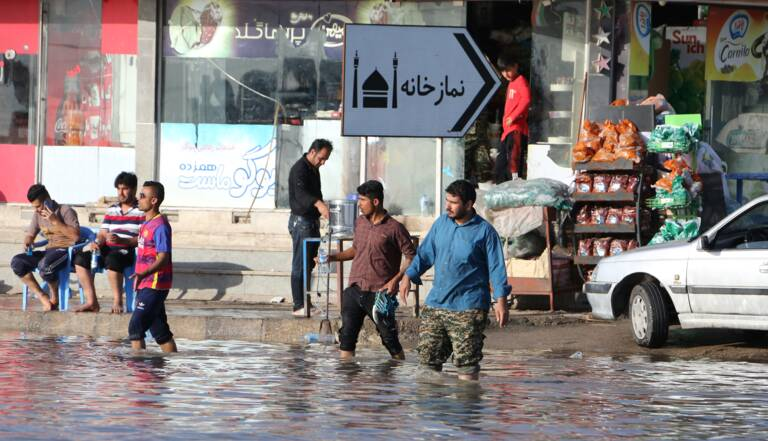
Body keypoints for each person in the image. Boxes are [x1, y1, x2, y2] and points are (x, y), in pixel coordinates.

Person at [399, 180, 510, 381]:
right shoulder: (441, 224)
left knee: (466, 366)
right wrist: (408, 275)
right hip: (436, 304)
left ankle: (467, 410)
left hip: (468, 307)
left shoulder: (485, 232)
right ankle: (432, 410)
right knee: (427, 362)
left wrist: (500, 300)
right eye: (447, 201)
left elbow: (496, 268)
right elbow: (424, 255)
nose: (447, 206)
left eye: (453, 202)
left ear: (469, 204)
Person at [326, 180, 415, 360]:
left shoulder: (395, 228)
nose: (359, 204)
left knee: (390, 339)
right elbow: (356, 250)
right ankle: (346, 380)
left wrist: (396, 279)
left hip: (380, 293)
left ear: (375, 202)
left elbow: (412, 257)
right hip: (355, 288)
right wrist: (332, 257)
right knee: (347, 338)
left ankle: (396, 377)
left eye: (363, 200)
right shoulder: (360, 223)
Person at [72, 172, 143, 313]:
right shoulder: (112, 209)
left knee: (113, 259)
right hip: (107, 247)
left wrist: (122, 240)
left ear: (134, 189)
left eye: (125, 189)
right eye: (118, 189)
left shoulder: (141, 211)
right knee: (80, 259)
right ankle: (92, 302)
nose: (120, 193)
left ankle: (118, 300)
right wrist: (97, 242)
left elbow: (141, 239)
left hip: (125, 250)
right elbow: (103, 233)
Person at [10, 184, 81, 311]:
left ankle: (55, 298)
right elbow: (30, 234)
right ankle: (43, 296)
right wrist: (28, 242)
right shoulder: (37, 215)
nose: (36, 210)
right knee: (17, 262)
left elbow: (76, 237)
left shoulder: (66, 211)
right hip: (49, 251)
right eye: (34, 207)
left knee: (45, 266)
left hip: (65, 251)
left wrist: (55, 221)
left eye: (38, 206)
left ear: (47, 200)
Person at [128, 181, 177, 353]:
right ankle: (170, 364)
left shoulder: (161, 226)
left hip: (154, 284)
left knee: (135, 327)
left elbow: (163, 258)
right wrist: (123, 241)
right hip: (145, 282)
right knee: (160, 332)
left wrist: (143, 273)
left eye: (142, 196)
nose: (138, 199)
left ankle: (138, 370)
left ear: (154, 200)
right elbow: (142, 243)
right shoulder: (147, 223)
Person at [288, 138, 333, 317]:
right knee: (300, 264)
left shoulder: (314, 170)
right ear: (312, 152)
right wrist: (319, 204)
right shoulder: (299, 169)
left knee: (309, 264)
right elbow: (302, 195)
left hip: (311, 222)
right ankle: (298, 304)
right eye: (321, 158)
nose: (322, 162)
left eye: (325, 160)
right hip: (301, 222)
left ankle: (306, 301)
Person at [495, 52, 531, 183]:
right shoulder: (511, 83)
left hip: (516, 128)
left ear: (515, 66)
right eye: (503, 71)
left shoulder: (521, 81)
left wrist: (514, 117)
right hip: (508, 129)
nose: (506, 74)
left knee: (513, 161)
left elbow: (526, 99)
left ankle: (514, 185)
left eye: (508, 70)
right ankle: (501, 186)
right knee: (501, 163)